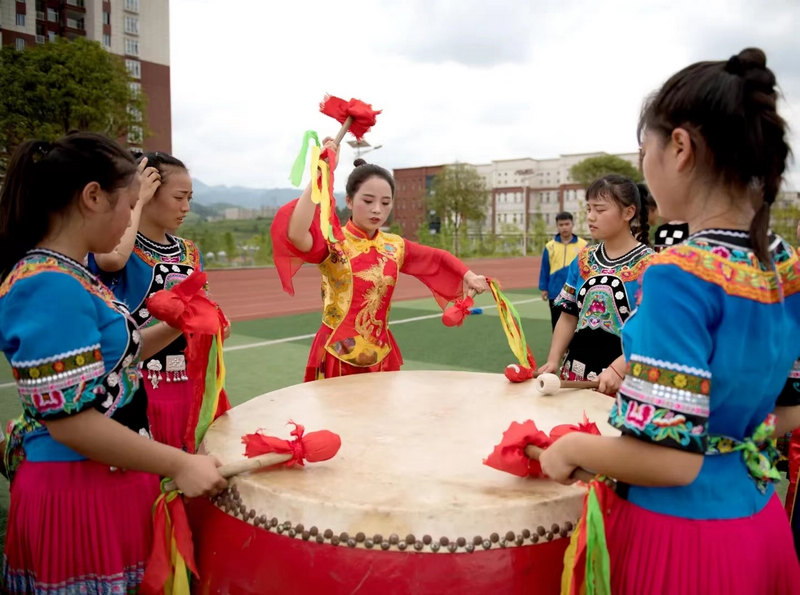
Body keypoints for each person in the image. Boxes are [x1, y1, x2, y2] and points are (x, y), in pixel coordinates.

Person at [540, 48, 800, 593]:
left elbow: (671, 460)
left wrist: (571, 449)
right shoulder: (785, 263)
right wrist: (727, 442)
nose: (645, 169)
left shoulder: (679, 271)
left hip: (685, 543)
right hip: (762, 525)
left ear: (679, 147)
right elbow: (791, 411)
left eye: (644, 153)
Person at [0, 133, 226, 593]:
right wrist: (179, 463)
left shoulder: (71, 274)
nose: (130, 219)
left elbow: (118, 357)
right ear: (92, 197)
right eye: (129, 205)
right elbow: (71, 423)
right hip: (77, 491)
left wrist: (186, 321)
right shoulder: (48, 284)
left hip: (106, 478)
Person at [271, 145, 489, 381]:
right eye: (368, 200)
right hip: (338, 352)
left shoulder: (395, 246)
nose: (377, 209)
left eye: (385, 203)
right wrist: (321, 173)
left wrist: (467, 275)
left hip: (381, 353)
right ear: (350, 201)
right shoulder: (334, 242)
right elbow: (295, 233)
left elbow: (437, 257)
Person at [89, 151, 206, 450]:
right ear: (148, 190)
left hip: (188, 386)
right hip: (136, 387)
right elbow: (111, 260)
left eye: (190, 198)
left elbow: (202, 314)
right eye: (179, 197)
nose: (186, 207)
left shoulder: (189, 251)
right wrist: (135, 199)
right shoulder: (114, 247)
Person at [537, 175, 654, 395]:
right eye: (589, 209)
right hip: (575, 375)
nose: (591, 217)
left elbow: (652, 330)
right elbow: (568, 315)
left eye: (599, 210)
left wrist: (619, 370)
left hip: (624, 380)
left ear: (628, 213)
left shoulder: (651, 266)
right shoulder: (583, 259)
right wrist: (553, 360)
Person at [538, 211, 587, 330]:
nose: (564, 227)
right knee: (556, 325)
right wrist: (544, 288)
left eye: (567, 224)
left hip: (575, 293)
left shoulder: (583, 245)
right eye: (561, 225)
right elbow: (545, 268)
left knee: (575, 326)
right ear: (557, 226)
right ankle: (560, 349)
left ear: (572, 224)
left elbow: (587, 269)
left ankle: (573, 349)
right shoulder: (550, 246)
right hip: (555, 292)